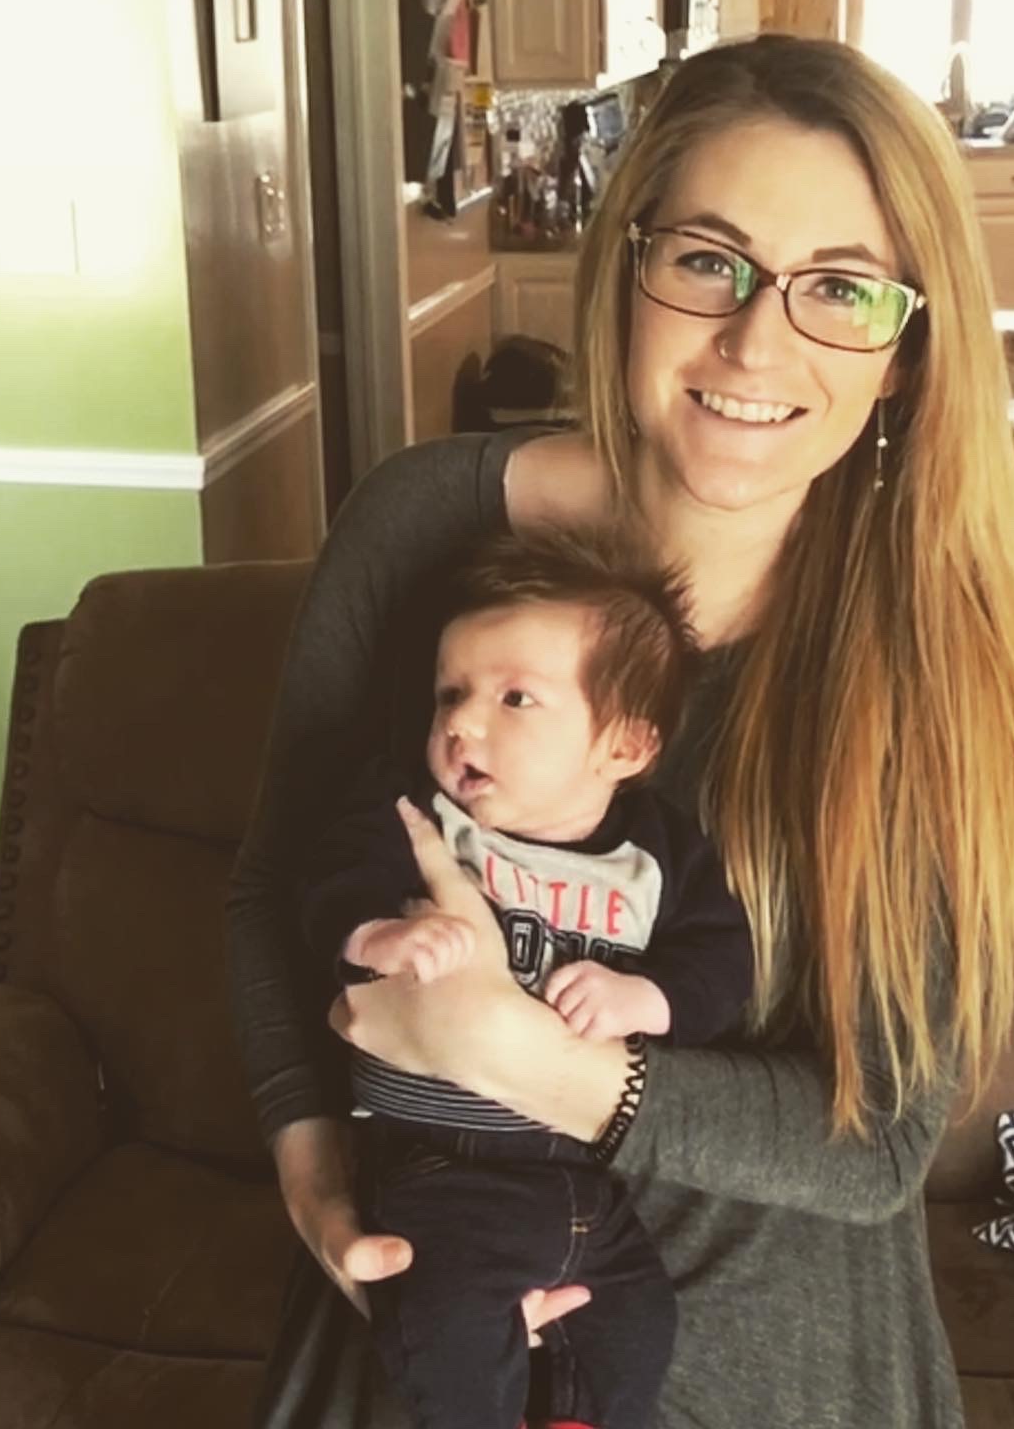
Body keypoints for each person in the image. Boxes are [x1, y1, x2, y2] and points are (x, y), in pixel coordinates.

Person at [226, 33, 1014, 1429]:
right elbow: (274, 890)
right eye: (708, 260)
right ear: (626, 268)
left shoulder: (939, 651)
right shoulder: (423, 525)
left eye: (840, 288)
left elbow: (876, 1144)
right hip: (436, 1322)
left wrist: (531, 1063)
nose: (755, 341)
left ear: (906, 355)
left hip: (786, 1375)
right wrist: (318, 1193)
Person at [300, 529, 754, 1429]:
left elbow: (721, 962)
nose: (462, 724)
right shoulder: (418, 814)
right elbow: (327, 882)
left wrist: (646, 997)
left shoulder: (658, 854)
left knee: (638, 1326)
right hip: (441, 1170)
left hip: (586, 1177)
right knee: (452, 1340)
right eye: (450, 694)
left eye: (515, 698)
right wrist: (380, 934)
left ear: (624, 745)